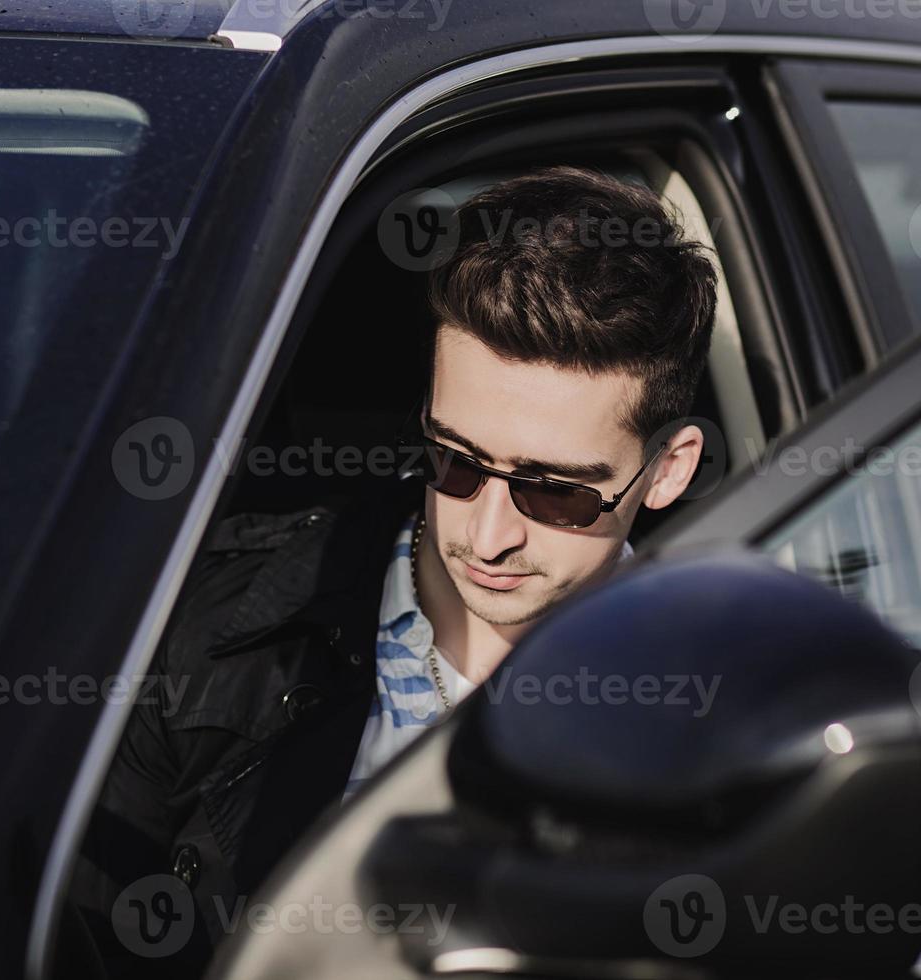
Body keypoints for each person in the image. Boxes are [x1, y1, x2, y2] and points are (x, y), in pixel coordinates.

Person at [64, 164, 719, 977]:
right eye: (455, 460)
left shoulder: (716, 712)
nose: (486, 534)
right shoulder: (216, 626)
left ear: (667, 470)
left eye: (554, 494)